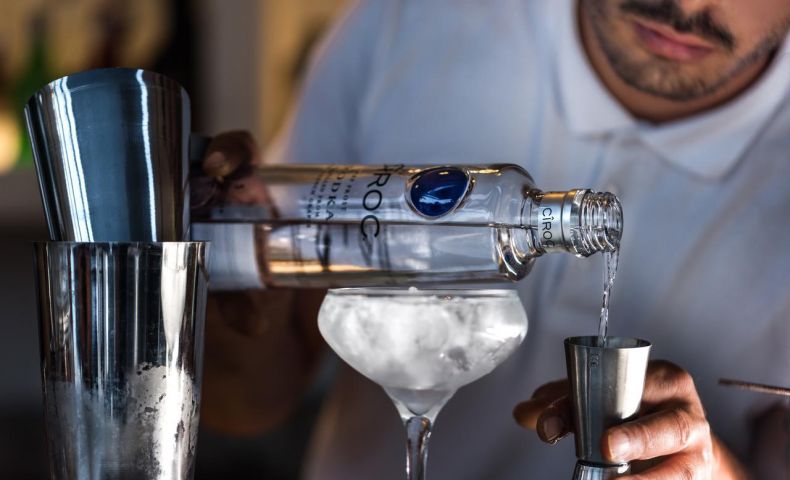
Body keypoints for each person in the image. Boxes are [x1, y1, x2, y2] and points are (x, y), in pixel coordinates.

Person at [200, 0, 790, 478]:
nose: (687, 6)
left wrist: (712, 472)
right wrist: (226, 293)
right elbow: (245, 405)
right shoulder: (408, 23)